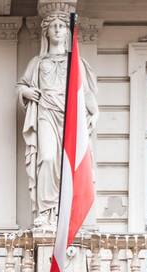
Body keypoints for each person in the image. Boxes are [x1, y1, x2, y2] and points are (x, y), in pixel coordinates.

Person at [17, 12, 98, 228]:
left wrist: (95, 112)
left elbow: (86, 92)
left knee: (69, 164)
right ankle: (46, 211)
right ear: (46, 31)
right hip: (45, 112)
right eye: (53, 25)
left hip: (70, 115)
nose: (57, 29)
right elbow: (22, 85)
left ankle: (66, 211)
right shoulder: (38, 62)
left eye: (62, 26)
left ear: (67, 31)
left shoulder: (76, 61)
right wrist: (26, 92)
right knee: (48, 158)